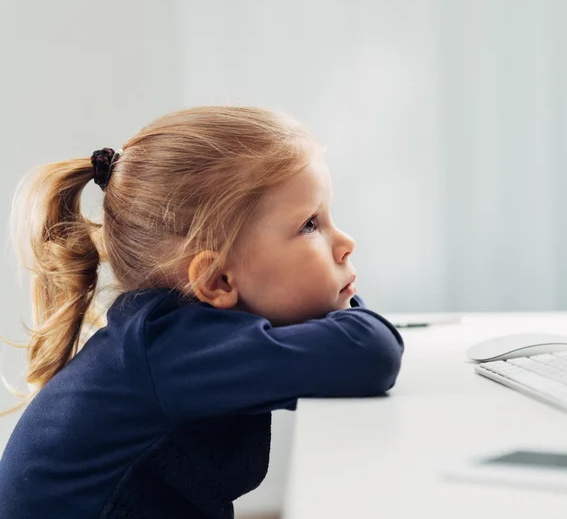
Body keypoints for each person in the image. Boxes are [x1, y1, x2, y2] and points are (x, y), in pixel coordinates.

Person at [0, 106, 404, 519]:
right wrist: (342, 302)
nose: (346, 242)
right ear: (216, 281)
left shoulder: (174, 337)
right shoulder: (173, 350)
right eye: (309, 225)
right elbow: (369, 353)